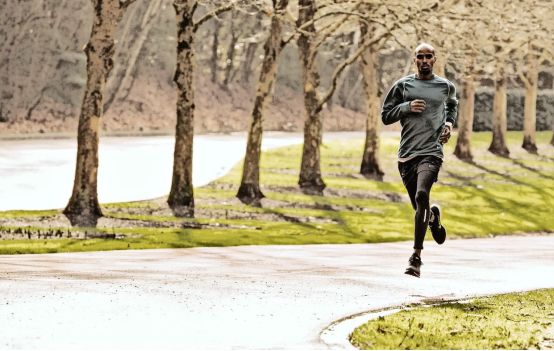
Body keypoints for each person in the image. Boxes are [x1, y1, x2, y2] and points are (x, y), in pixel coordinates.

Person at [381, 43, 458, 278]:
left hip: (432, 152)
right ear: (415, 59)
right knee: (420, 208)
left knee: (422, 195)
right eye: (420, 57)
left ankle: (416, 257)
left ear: (434, 59)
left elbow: (452, 106)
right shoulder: (403, 86)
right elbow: (385, 116)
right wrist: (406, 107)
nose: (424, 60)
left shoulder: (446, 86)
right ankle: (433, 218)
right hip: (407, 155)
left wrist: (448, 124)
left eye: (428, 56)